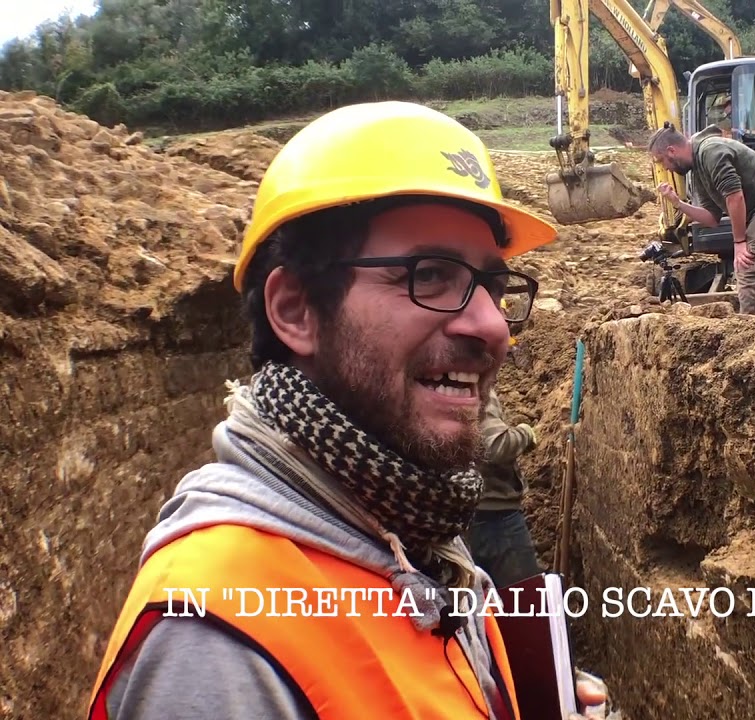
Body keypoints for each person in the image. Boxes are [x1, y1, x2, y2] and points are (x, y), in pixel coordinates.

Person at [85, 101, 610, 720]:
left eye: (493, 287)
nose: (493, 325)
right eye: (430, 274)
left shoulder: (421, 536)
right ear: (296, 310)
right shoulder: (219, 639)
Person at [649, 123, 755, 314]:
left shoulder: (710, 151)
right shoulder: (697, 170)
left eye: (663, 161)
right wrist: (678, 203)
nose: (666, 168)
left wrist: (739, 241)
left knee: (749, 271)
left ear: (671, 151)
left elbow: (734, 196)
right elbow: (712, 218)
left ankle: (753, 335)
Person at [467, 323, 543, 589]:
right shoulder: (476, 386)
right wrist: (526, 433)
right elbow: (495, 445)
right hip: (496, 517)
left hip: (470, 515)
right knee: (526, 605)